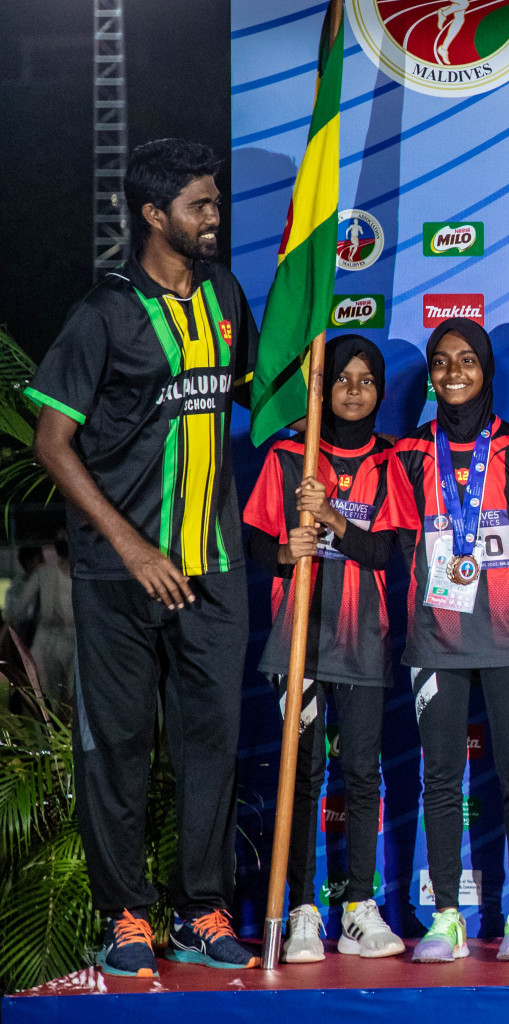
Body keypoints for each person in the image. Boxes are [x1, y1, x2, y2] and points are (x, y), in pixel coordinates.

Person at [27, 138, 259, 977]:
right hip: (119, 575)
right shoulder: (103, 313)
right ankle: (126, 915)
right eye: (200, 206)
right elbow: (53, 442)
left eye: (217, 204)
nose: (215, 219)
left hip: (215, 569)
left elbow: (245, 395)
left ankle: (201, 910)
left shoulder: (226, 293)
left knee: (211, 745)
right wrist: (130, 546)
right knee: (119, 747)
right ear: (154, 215)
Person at [374, 319, 509, 963]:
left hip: (507, 637)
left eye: (467, 360)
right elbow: (391, 541)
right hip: (436, 639)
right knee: (441, 779)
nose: (453, 372)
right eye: (442, 362)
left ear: (487, 372)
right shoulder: (409, 454)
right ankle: (446, 916)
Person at [243, 335, 404, 962]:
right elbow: (258, 544)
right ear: (321, 387)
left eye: (367, 379)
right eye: (342, 378)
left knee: (362, 773)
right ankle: (303, 908)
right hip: (299, 644)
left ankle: (359, 906)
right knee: (301, 774)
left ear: (381, 391)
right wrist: (288, 552)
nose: (355, 389)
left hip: (363, 640)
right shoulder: (290, 456)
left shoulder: (392, 461)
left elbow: (384, 550)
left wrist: (332, 517)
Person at [9, 539, 75, 706]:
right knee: (49, 698)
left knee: (67, 696)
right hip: (48, 642)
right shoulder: (45, 573)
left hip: (71, 642)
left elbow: (18, 610)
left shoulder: (75, 573)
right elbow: (18, 609)